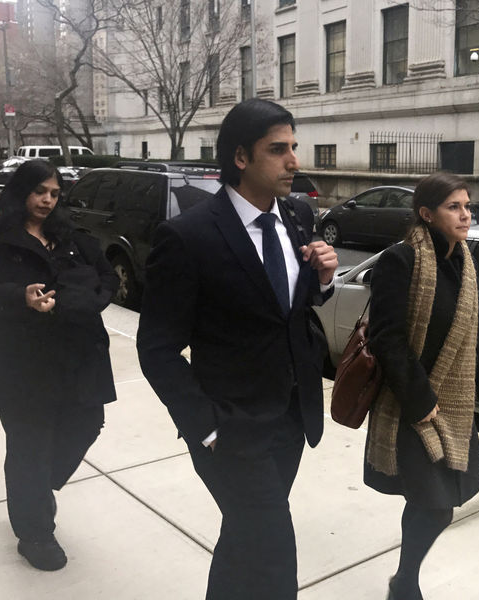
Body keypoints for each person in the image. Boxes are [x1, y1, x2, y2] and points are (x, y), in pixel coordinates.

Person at [136, 98, 338, 600]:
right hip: (228, 428)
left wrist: (324, 280)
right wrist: (204, 427)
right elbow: (156, 349)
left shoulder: (296, 214)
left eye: (294, 147)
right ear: (241, 158)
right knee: (273, 557)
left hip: (290, 418)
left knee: (245, 541)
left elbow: (283, 307)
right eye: (278, 150)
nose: (294, 160)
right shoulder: (188, 236)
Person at [0, 159, 119, 571]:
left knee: (87, 423)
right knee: (29, 444)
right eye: (39, 192)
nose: (47, 200)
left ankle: (36, 486)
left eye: (54, 193)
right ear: (20, 192)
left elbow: (107, 278)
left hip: (76, 357)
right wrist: (20, 297)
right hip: (19, 361)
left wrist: (80, 301)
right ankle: (34, 533)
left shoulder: (71, 237)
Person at [365, 172, 479, 600]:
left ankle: (404, 578)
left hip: (454, 404)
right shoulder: (401, 261)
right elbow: (385, 337)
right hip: (412, 405)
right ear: (426, 214)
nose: (465, 215)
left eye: (467, 206)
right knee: (434, 503)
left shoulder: (465, 262)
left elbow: (476, 333)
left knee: (437, 503)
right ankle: (406, 583)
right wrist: (420, 399)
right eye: (454, 207)